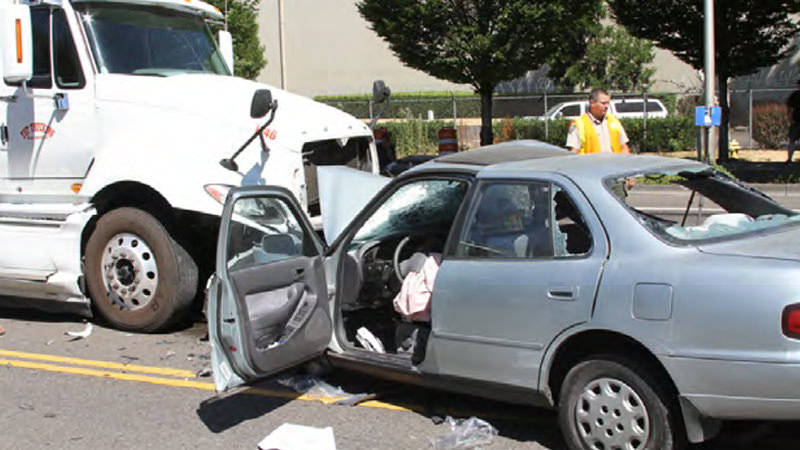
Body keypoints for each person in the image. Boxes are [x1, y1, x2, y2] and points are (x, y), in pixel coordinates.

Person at [567, 88, 631, 154]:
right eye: (603, 103)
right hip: (591, 164)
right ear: (592, 103)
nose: (607, 106)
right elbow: (574, 151)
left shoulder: (614, 121)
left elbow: (624, 147)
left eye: (608, 103)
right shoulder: (578, 124)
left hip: (613, 163)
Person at [786, 79, 800, 163]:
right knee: (792, 141)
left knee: (792, 141)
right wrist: (791, 119)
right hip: (796, 121)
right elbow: (790, 109)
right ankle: (789, 158)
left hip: (796, 122)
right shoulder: (794, 96)